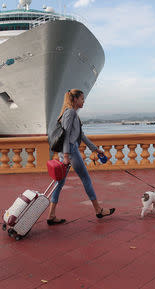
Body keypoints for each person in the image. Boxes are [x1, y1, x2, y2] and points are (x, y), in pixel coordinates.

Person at [47, 89, 115, 225]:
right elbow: (66, 135)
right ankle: (98, 210)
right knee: (85, 179)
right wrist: (66, 155)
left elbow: (81, 135)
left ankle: (51, 215)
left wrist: (95, 149)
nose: (84, 101)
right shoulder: (71, 112)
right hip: (70, 151)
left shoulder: (71, 113)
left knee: (59, 183)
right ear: (75, 99)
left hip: (67, 151)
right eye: (82, 98)